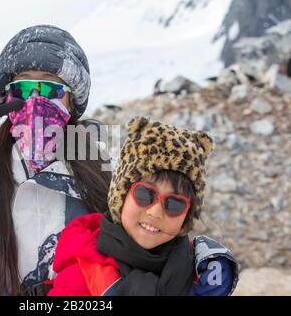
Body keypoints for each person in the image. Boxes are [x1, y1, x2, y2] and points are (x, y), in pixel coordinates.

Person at [0, 25, 236, 296]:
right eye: (23, 87)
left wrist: (207, 256)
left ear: (74, 103)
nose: (36, 101)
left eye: (51, 89)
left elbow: (157, 224)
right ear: (3, 99)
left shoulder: (106, 178)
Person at [48, 117, 239, 296]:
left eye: (174, 204)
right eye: (145, 194)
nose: (155, 212)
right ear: (120, 196)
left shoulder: (202, 273)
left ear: (187, 216)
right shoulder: (81, 273)